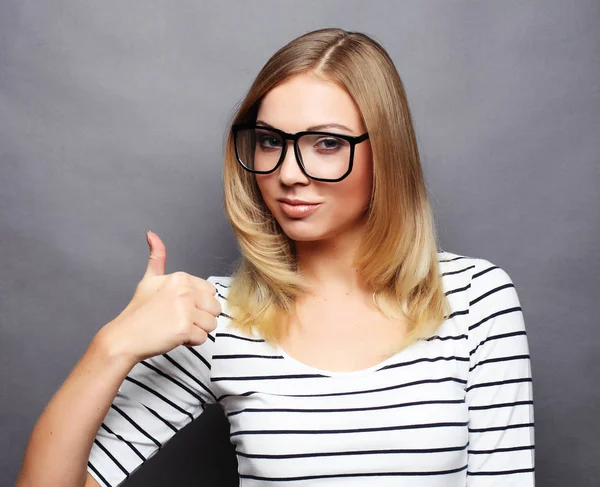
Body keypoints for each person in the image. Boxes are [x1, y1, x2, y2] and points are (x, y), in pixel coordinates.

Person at [16, 28, 535, 487]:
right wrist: (114, 345)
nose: (289, 172)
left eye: (327, 143)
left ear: (387, 153)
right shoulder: (213, 316)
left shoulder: (474, 299)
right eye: (269, 141)